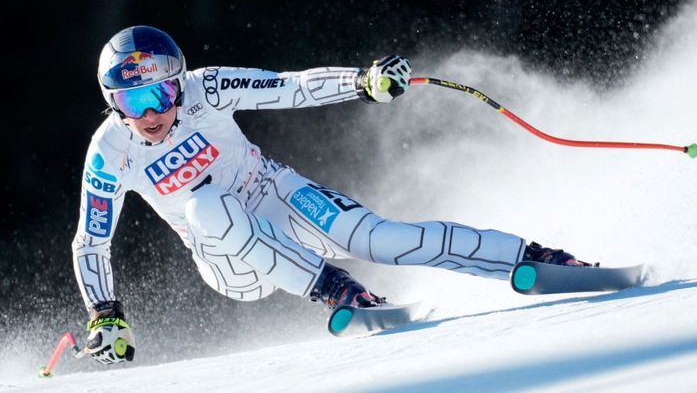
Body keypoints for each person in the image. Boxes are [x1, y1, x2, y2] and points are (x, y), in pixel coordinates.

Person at [73, 25, 591, 365]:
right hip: (230, 259)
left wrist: (363, 82)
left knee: (381, 239)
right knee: (205, 204)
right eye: (131, 101)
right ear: (111, 102)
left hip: (276, 194)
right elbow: (90, 242)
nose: (150, 114)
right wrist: (105, 313)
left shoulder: (208, 88)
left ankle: (529, 257)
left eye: (159, 93)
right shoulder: (110, 152)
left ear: (178, 83)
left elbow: (290, 88)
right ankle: (336, 289)